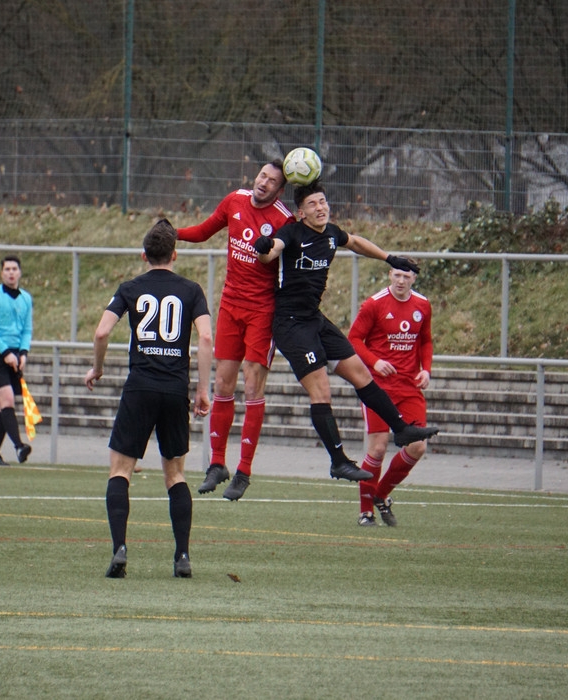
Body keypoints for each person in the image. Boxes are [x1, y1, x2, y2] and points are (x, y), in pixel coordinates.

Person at [254, 181, 438, 481]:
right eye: (312, 204)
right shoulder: (292, 233)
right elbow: (272, 250)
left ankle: (402, 429)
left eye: (323, 201)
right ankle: (338, 460)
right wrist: (264, 249)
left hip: (315, 319)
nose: (320, 208)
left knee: (362, 374)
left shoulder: (331, 233)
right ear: (301, 213)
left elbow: (355, 242)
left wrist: (389, 258)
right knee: (321, 390)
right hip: (291, 324)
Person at [84, 219, 212, 578]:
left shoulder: (130, 288)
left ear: (144, 255)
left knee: (120, 471)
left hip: (140, 387)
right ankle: (182, 556)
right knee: (175, 475)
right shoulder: (191, 290)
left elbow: (101, 332)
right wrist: (202, 390)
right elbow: (205, 339)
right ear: (175, 254)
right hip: (175, 390)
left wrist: (97, 369)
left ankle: (120, 549)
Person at [177, 160, 294, 501]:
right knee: (222, 384)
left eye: (272, 181)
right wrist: (172, 233)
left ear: (280, 190)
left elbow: (282, 259)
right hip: (230, 306)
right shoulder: (235, 200)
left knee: (252, 385)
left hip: (262, 312)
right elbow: (203, 231)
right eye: (262, 175)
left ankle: (243, 471)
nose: (264, 182)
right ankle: (217, 464)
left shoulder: (284, 220)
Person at [348, 258, 433, 526]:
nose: (400, 281)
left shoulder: (423, 305)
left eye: (406, 277)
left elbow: (426, 340)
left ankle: (380, 494)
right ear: (389, 275)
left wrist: (426, 370)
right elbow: (354, 339)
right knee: (378, 448)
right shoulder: (374, 304)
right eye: (397, 275)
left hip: (409, 387)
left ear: (414, 279)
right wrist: (375, 362)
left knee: (418, 446)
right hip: (377, 388)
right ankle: (366, 513)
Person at [0, 254, 33, 465]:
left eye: (14, 269)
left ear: (20, 272)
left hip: (15, 355)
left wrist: (23, 353)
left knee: (4, 405)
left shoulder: (26, 298)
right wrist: (5, 353)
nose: (11, 273)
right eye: (7, 269)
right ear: (1, 273)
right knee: (8, 400)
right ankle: (19, 446)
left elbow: (27, 329)